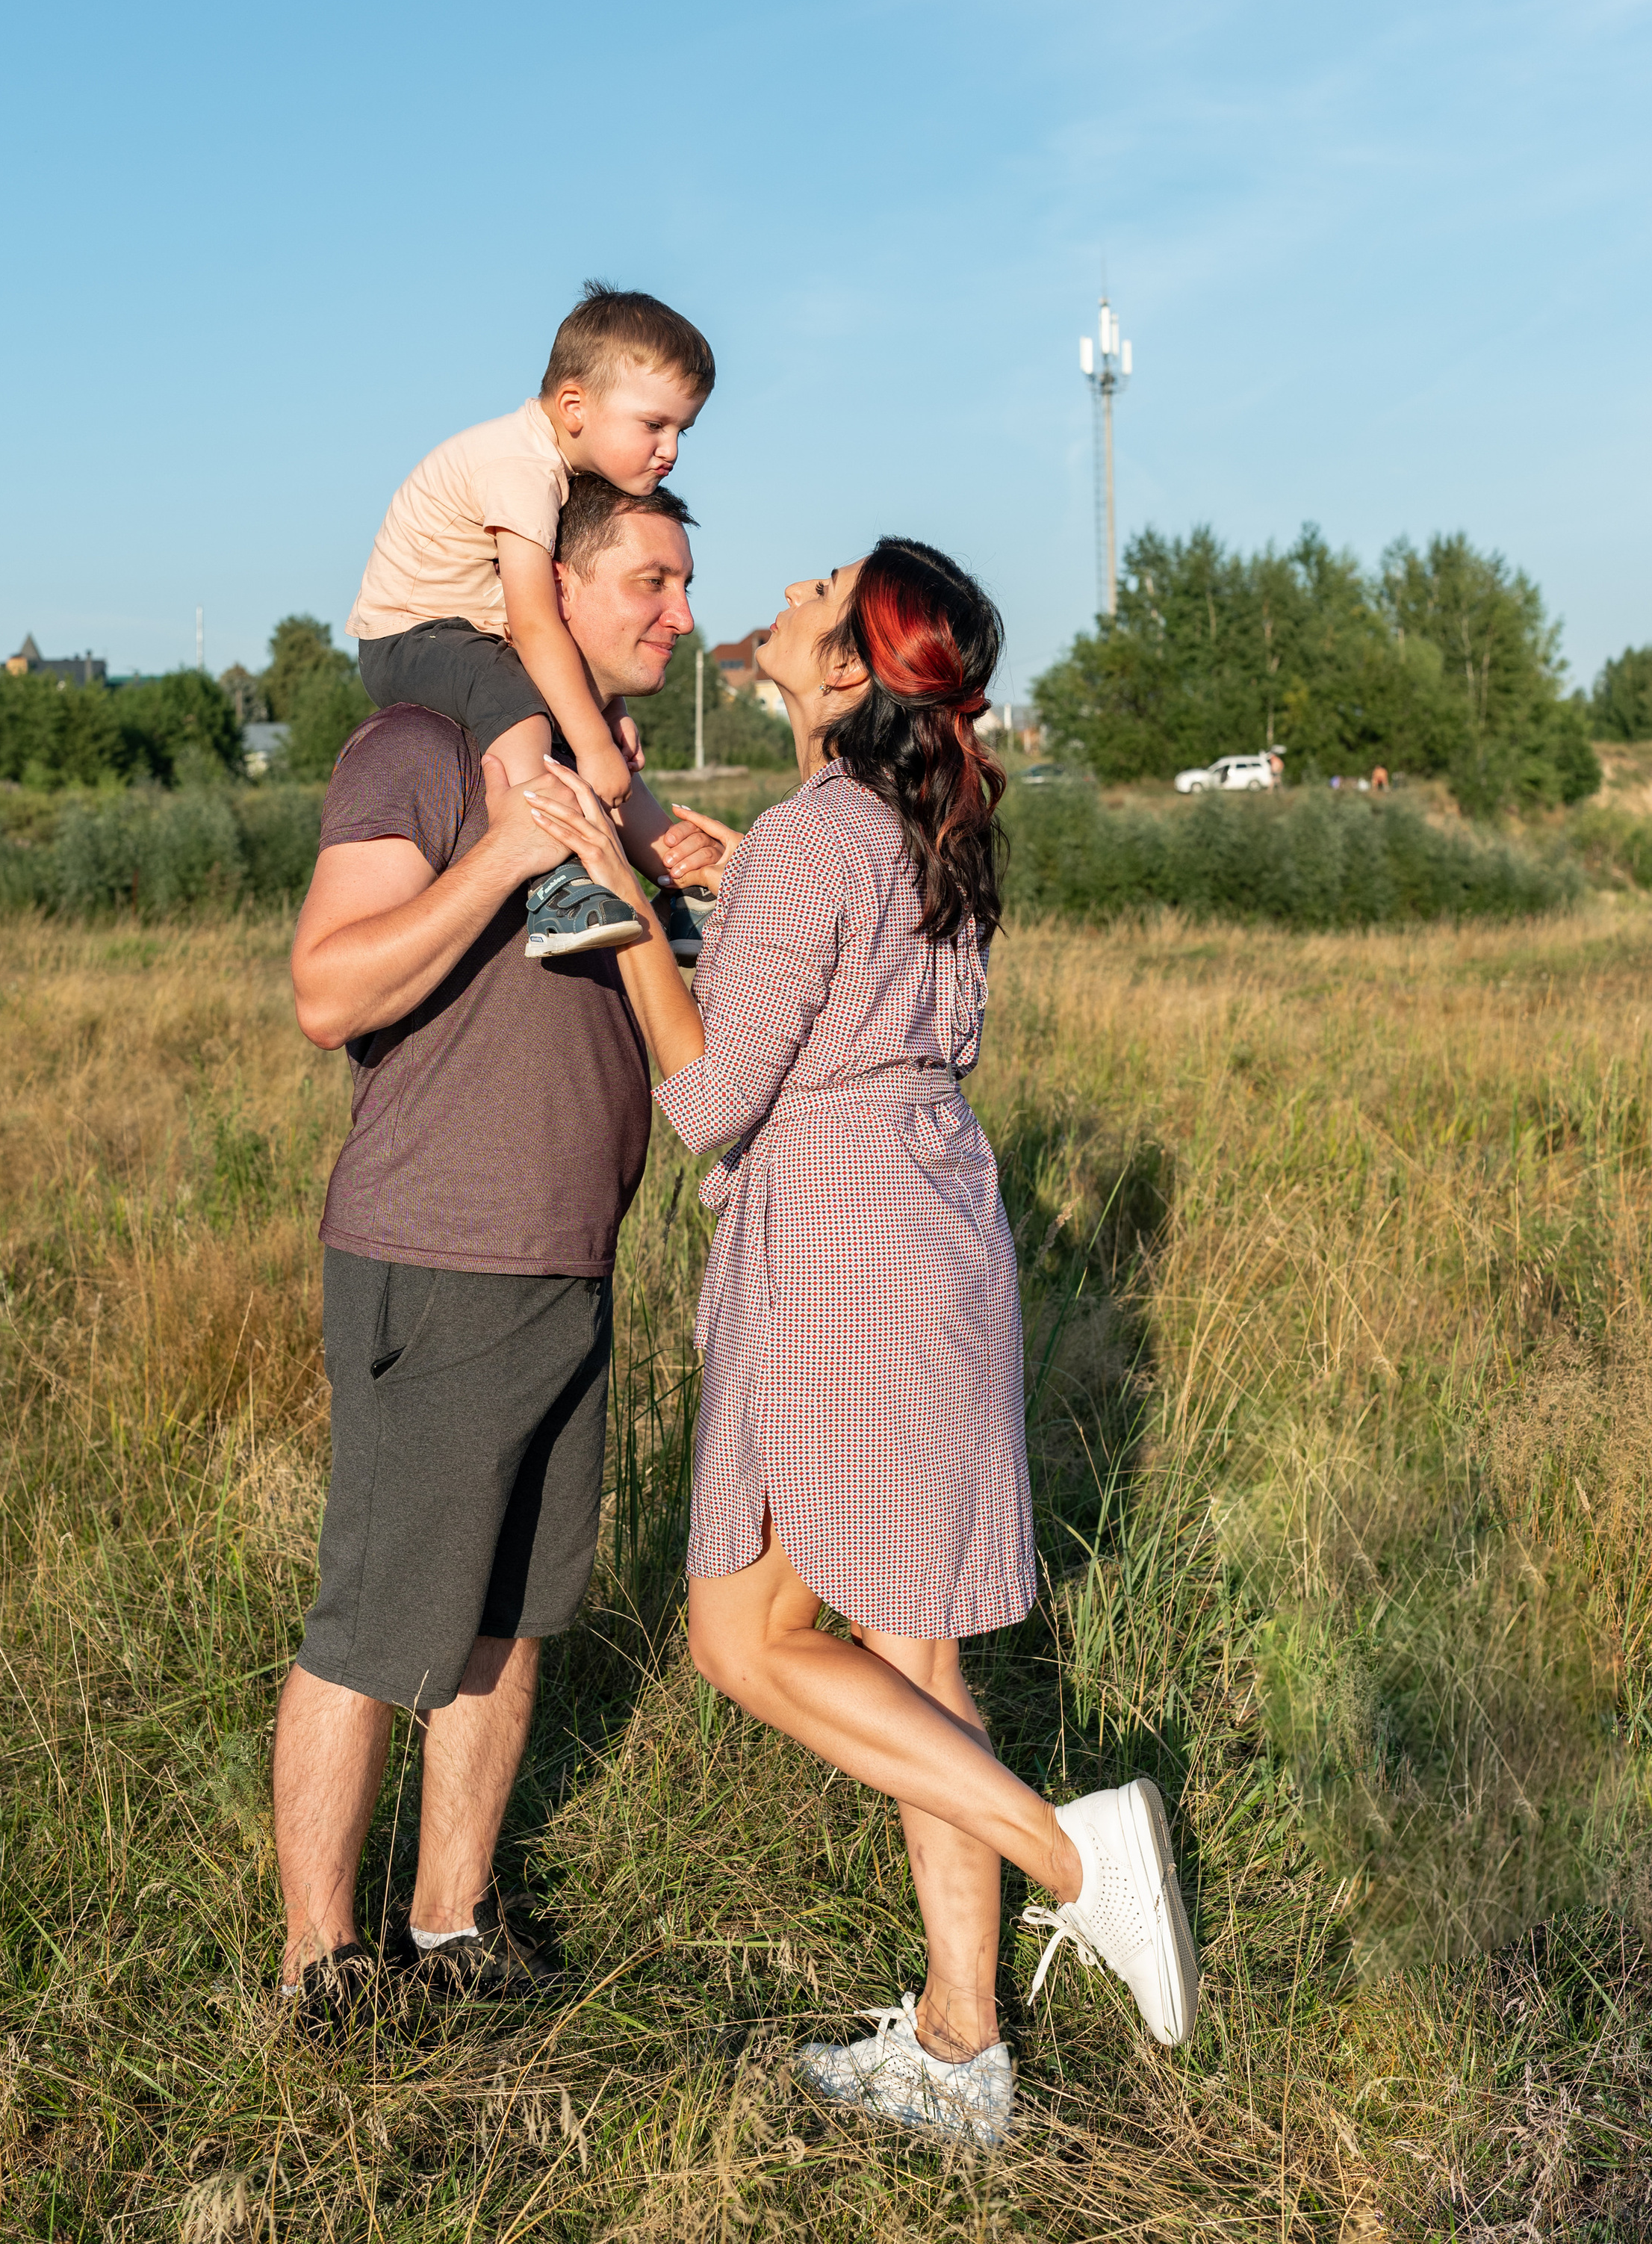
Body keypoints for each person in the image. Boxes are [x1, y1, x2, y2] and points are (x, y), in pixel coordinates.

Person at [527, 538, 1200, 2151]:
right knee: (911, 1652)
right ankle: (962, 2044)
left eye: (824, 586)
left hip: (831, 1240)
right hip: (934, 1224)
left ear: (843, 673)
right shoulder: (913, 821)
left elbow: (705, 1099)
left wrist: (628, 918)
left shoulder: (810, 836)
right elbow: (831, 991)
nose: (791, 581)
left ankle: (1072, 1855)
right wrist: (714, 893)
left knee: (739, 1639)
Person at [274, 473, 710, 2043]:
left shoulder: (609, 780)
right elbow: (331, 993)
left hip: (565, 1255)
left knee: (508, 1616)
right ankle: (323, 1971)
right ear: (552, 591)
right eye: (649, 582)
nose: (678, 613)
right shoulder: (420, 751)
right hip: (436, 1247)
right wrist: (500, 857)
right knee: (378, 1622)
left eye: (680, 585)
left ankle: (451, 1925)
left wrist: (674, 880)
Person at [347, 281, 715, 963]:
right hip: (407, 635)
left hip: (466, 628)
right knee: (522, 705)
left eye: (681, 430)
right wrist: (596, 745)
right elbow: (537, 622)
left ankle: (681, 885)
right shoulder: (522, 469)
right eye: (653, 425)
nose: (669, 449)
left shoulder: (555, 466)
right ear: (575, 405)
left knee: (583, 717)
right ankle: (555, 881)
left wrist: (607, 709)